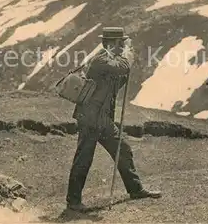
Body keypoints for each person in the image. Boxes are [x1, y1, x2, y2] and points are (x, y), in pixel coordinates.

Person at [66, 26, 162, 212]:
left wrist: (124, 67)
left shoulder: (111, 60)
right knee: (84, 158)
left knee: (122, 149)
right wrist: (127, 57)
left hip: (102, 119)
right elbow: (122, 67)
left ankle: (135, 189)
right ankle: (73, 202)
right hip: (90, 118)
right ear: (110, 43)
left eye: (123, 44)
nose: (122, 46)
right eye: (121, 43)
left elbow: (119, 76)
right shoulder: (100, 60)